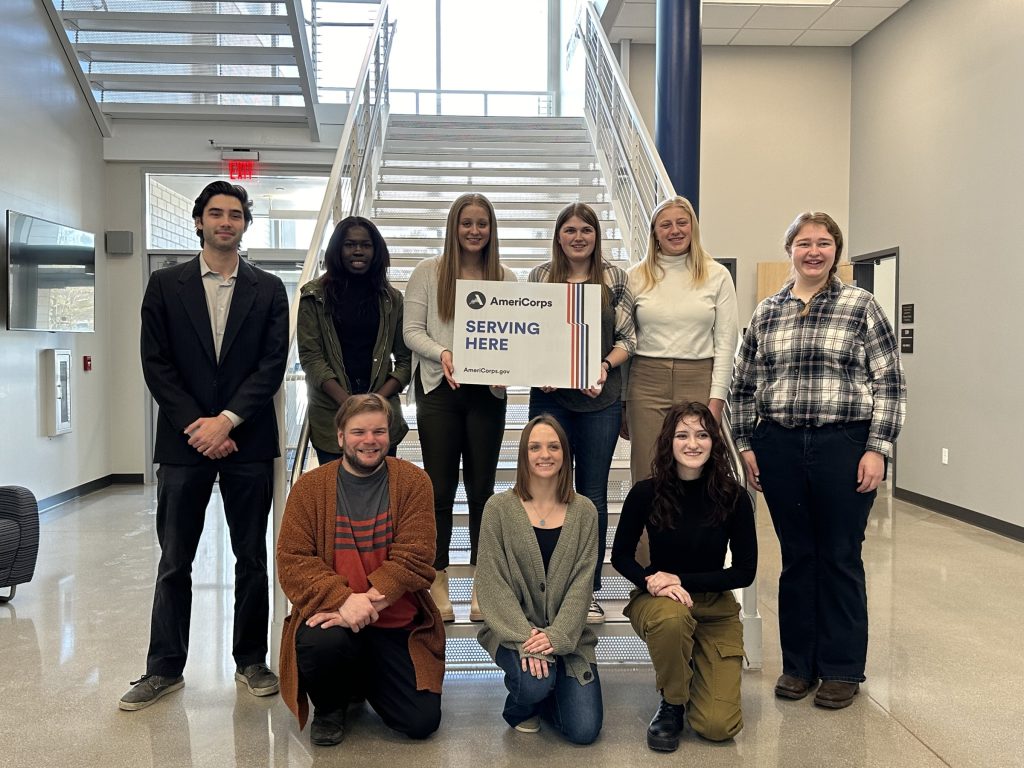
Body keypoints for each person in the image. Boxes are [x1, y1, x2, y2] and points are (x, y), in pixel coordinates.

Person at [122, 181, 288, 711]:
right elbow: (157, 364)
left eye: (235, 214)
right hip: (183, 442)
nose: (225, 222)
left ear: (245, 224)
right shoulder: (165, 285)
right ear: (198, 222)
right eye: (215, 213)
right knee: (175, 561)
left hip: (248, 440)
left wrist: (229, 421)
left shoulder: (268, 288)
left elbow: (271, 365)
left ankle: (251, 662)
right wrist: (200, 423)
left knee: (251, 559)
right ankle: (163, 669)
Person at [731, 211, 906, 710]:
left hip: (843, 445)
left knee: (840, 556)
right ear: (790, 250)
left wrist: (878, 448)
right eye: (804, 242)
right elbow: (743, 385)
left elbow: (888, 384)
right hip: (780, 446)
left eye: (823, 243)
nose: (813, 251)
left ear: (836, 251)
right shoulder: (767, 313)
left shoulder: (861, 307)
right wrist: (746, 444)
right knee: (796, 558)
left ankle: (842, 669)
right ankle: (798, 666)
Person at [277, 394, 444, 747]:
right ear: (340, 437)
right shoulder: (309, 488)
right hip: (333, 619)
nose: (369, 440)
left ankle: (362, 679)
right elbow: (292, 560)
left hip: (396, 623)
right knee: (321, 640)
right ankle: (330, 707)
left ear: (390, 435)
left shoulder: (414, 482)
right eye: (358, 432)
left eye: (378, 431)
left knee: (421, 721)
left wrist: (364, 602)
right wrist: (341, 601)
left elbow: (416, 555)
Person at [612, 402, 756, 751]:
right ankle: (673, 702)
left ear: (714, 442)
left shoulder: (734, 496)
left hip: (714, 608)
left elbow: (744, 572)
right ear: (669, 442)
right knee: (673, 620)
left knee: (718, 727)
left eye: (702, 435)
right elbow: (620, 556)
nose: (693, 444)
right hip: (659, 601)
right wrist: (650, 581)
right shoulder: (646, 493)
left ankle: (690, 669)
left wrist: (680, 580)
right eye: (682, 435)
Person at [403, 192, 518, 622]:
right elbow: (412, 331)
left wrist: (508, 366)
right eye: (466, 223)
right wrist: (443, 353)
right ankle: (438, 579)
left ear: (491, 230)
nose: (474, 231)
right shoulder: (427, 273)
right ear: (454, 226)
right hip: (440, 390)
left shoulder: (506, 279)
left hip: (486, 395)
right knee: (438, 489)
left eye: (482, 224)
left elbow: (516, 338)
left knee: (483, 491)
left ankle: (483, 583)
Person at [528, 202, 635, 624]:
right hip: (550, 399)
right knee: (545, 492)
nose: (578, 237)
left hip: (600, 401)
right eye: (570, 229)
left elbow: (628, 338)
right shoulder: (539, 277)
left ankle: (587, 590)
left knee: (591, 495)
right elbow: (529, 334)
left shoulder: (614, 278)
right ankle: (546, 588)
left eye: (585, 230)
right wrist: (541, 369)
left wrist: (604, 366)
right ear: (558, 236)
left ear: (595, 235)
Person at [475, 415, 603, 744]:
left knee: (585, 730)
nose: (544, 454)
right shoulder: (498, 508)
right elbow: (492, 583)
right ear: (523, 455)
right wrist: (526, 638)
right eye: (535, 447)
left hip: (568, 635)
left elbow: (582, 584)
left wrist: (557, 637)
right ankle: (524, 703)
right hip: (512, 631)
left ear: (565, 454)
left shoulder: (585, 511)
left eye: (553, 446)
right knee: (534, 682)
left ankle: (548, 692)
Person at [625, 196, 738, 482]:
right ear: (654, 232)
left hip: (699, 378)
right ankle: (647, 530)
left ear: (693, 228)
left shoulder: (717, 275)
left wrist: (716, 401)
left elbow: (726, 344)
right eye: (666, 225)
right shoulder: (635, 277)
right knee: (647, 474)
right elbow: (625, 341)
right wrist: (623, 402)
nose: (675, 230)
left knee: (696, 472)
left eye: (681, 223)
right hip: (646, 380)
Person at [297, 216, 410, 466]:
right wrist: (349, 403)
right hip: (331, 414)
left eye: (365, 245)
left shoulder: (393, 300)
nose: (358, 250)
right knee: (336, 499)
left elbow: (405, 361)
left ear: (376, 250)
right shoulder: (313, 296)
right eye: (349, 244)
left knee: (381, 499)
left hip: (382, 418)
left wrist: (375, 402)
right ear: (338, 249)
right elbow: (311, 357)